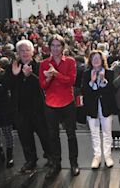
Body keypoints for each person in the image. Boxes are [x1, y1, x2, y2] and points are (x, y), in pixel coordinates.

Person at [39, 35, 79, 178]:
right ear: (49, 47)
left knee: (71, 135)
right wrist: (49, 78)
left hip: (67, 102)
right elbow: (42, 85)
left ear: (63, 47)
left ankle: (74, 163)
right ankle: (56, 164)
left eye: (58, 45)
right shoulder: (43, 63)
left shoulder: (70, 61)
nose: (55, 48)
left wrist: (56, 74)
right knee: (53, 136)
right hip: (50, 103)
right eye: (53, 45)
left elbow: (71, 81)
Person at [8, 40, 52, 173]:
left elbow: (44, 84)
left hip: (38, 109)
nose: (25, 53)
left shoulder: (40, 66)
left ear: (32, 52)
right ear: (18, 53)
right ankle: (30, 160)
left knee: (44, 135)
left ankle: (50, 156)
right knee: (25, 137)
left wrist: (30, 75)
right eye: (21, 50)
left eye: (27, 50)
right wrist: (15, 75)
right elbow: (6, 85)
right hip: (20, 109)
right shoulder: (14, 66)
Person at [82, 50, 116, 169]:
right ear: (90, 61)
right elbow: (84, 91)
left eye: (98, 58)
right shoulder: (86, 73)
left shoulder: (109, 73)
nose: (96, 60)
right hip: (92, 108)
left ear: (102, 60)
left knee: (107, 133)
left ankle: (108, 156)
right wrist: (92, 81)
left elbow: (111, 91)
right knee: (94, 133)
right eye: (93, 58)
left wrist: (103, 81)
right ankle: (97, 156)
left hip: (106, 107)